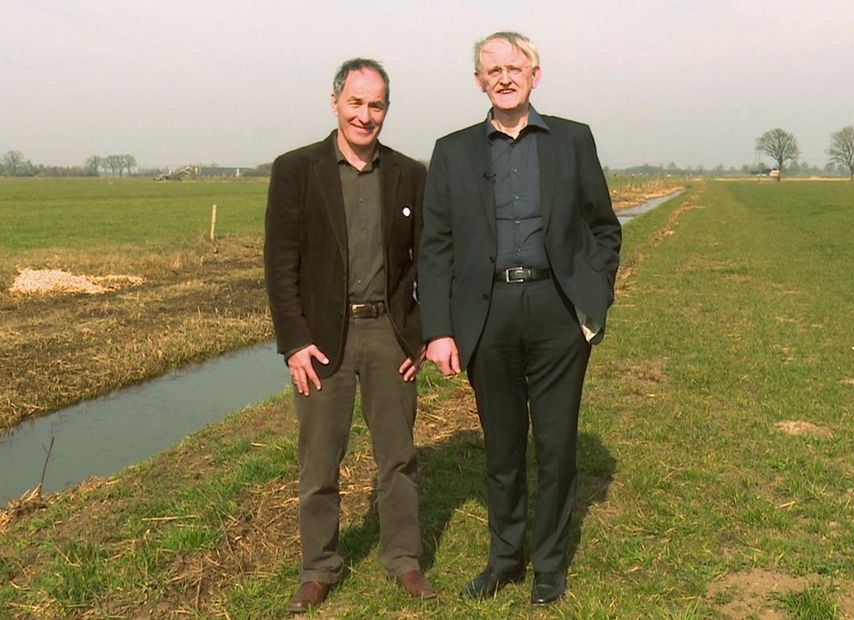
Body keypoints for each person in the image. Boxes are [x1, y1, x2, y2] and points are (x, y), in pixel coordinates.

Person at [418, 32, 622, 605]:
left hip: (557, 311)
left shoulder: (573, 140)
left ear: (536, 75)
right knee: (503, 446)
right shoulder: (452, 150)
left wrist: (596, 294)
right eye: (493, 70)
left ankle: (549, 565)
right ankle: (505, 557)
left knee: (557, 446)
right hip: (486, 315)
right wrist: (438, 329)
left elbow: (603, 225)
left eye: (515, 67)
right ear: (479, 81)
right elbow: (434, 247)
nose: (505, 78)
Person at [264, 58, 435, 612]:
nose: (366, 115)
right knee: (318, 462)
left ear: (387, 108)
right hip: (321, 342)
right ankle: (318, 567)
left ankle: (404, 560)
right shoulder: (296, 170)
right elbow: (280, 263)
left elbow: (428, 262)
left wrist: (422, 336)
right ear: (335, 102)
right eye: (357, 103)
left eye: (377, 104)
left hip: (389, 334)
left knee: (399, 456)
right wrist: (293, 342)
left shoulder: (410, 173)